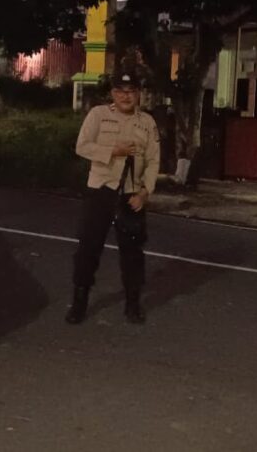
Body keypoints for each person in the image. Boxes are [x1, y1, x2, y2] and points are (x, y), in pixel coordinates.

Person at [65, 70, 160, 325]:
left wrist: (144, 193)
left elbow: (153, 161)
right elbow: (82, 146)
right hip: (101, 190)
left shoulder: (147, 122)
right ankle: (79, 302)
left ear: (138, 94)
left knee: (133, 253)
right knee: (88, 249)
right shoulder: (98, 115)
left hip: (131, 194)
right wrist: (112, 151)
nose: (125, 96)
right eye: (120, 91)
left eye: (131, 92)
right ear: (112, 93)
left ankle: (133, 304)